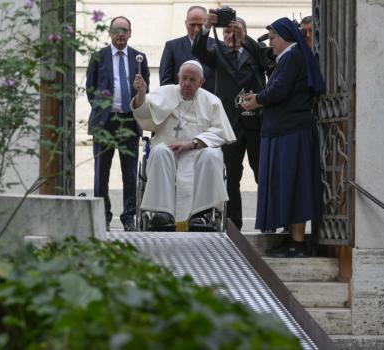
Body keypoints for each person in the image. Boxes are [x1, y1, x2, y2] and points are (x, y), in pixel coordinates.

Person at [241, 17, 324, 257]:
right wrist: (260, 97)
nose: (271, 42)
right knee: (286, 185)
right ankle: (292, 238)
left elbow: (279, 90)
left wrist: (258, 99)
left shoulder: (293, 57)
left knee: (294, 184)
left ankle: (298, 243)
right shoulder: (287, 59)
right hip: (283, 131)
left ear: (285, 37)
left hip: (292, 132)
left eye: (273, 37)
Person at [131, 60, 236, 231]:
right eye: (184, 78)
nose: (186, 83)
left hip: (198, 154)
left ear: (201, 82)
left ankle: (201, 214)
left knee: (213, 155)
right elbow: (143, 114)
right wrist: (142, 93)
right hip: (169, 151)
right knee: (158, 152)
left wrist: (192, 143)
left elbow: (221, 133)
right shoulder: (165, 93)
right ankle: (162, 213)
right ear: (178, 78)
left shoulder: (212, 101)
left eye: (192, 80)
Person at [192, 14, 266, 230]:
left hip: (255, 124)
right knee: (231, 177)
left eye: (234, 31)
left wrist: (245, 39)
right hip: (228, 125)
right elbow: (197, 50)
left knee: (263, 174)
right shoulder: (217, 53)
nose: (229, 36)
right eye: (226, 32)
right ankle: (234, 224)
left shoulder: (254, 52)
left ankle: (268, 221)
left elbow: (266, 57)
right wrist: (207, 27)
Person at [86, 16, 150, 232]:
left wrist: (141, 89)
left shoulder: (139, 58)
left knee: (130, 173)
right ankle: (102, 215)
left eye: (124, 30)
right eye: (116, 30)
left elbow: (145, 90)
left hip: (129, 122)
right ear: (110, 33)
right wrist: (102, 109)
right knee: (101, 173)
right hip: (105, 122)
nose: (120, 33)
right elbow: (90, 89)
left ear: (130, 33)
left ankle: (129, 216)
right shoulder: (98, 57)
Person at [159, 6, 215, 93]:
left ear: (207, 23)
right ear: (186, 23)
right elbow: (165, 83)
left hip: (210, 103)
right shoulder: (172, 47)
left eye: (200, 25)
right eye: (192, 25)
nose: (196, 29)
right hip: (180, 103)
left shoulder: (217, 46)